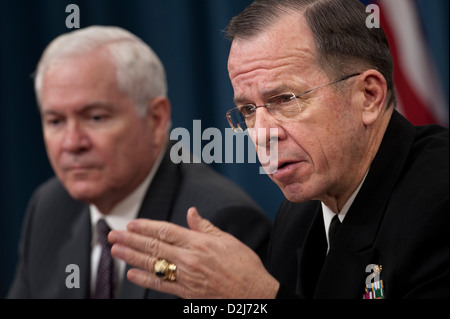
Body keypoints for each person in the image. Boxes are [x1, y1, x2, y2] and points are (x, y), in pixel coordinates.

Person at [108, 0, 448, 299]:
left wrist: (258, 297)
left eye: (285, 99)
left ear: (368, 96)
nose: (262, 134)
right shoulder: (298, 216)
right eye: (248, 111)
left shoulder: (439, 201)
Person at [7, 26, 272, 299]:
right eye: (55, 121)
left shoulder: (217, 222)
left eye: (96, 117)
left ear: (156, 119)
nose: (72, 142)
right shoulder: (49, 207)